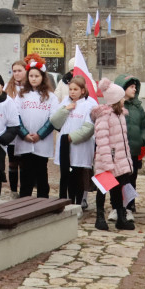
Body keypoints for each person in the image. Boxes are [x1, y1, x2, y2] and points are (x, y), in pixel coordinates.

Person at [90, 79, 135, 231]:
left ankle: (120, 218)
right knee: (102, 190)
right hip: (106, 162)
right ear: (115, 100)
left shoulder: (121, 115)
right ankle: (100, 217)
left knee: (117, 190)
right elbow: (102, 142)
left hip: (119, 161)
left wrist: (126, 160)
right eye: (122, 98)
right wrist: (108, 164)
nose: (124, 100)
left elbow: (123, 140)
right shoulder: (104, 117)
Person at [13, 58, 61, 198]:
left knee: (41, 172)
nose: (33, 79)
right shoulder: (21, 95)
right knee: (26, 172)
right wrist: (24, 134)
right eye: (31, 76)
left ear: (42, 77)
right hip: (25, 141)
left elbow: (52, 119)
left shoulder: (51, 97)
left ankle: (42, 200)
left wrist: (40, 134)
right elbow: (16, 116)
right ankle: (24, 200)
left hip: (41, 142)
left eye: (37, 76)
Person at [52, 75, 97, 208]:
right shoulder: (65, 102)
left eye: (75, 89)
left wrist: (71, 137)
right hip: (65, 147)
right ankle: (64, 201)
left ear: (83, 90)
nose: (72, 92)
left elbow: (89, 128)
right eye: (70, 89)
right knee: (66, 176)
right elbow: (55, 121)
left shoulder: (89, 105)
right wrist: (65, 110)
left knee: (78, 177)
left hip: (79, 146)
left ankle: (78, 202)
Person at [116, 74, 145, 215]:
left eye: (135, 87)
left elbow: (144, 125)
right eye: (131, 87)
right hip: (120, 150)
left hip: (134, 150)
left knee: (132, 178)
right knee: (119, 179)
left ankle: (130, 204)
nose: (134, 90)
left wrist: (142, 139)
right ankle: (117, 204)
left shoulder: (138, 107)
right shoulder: (117, 106)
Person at [3, 60, 28, 195]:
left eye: (20, 70)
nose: (17, 73)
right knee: (12, 162)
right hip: (12, 130)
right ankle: (13, 190)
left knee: (24, 163)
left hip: (25, 129)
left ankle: (24, 191)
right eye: (14, 71)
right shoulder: (7, 87)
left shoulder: (29, 87)